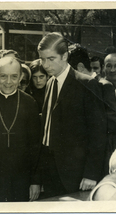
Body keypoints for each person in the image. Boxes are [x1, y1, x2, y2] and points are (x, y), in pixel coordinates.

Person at [38, 32, 107, 198]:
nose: (45, 65)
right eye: (42, 59)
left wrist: (91, 173)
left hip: (75, 173)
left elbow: (98, 133)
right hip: (50, 170)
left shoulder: (86, 84)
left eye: (51, 59)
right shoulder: (49, 83)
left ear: (65, 56)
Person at [0, 57, 41, 202]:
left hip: (22, 177)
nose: (8, 82)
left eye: (14, 77)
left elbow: (36, 145)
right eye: (3, 76)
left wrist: (35, 181)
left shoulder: (29, 102)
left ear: (21, 77)